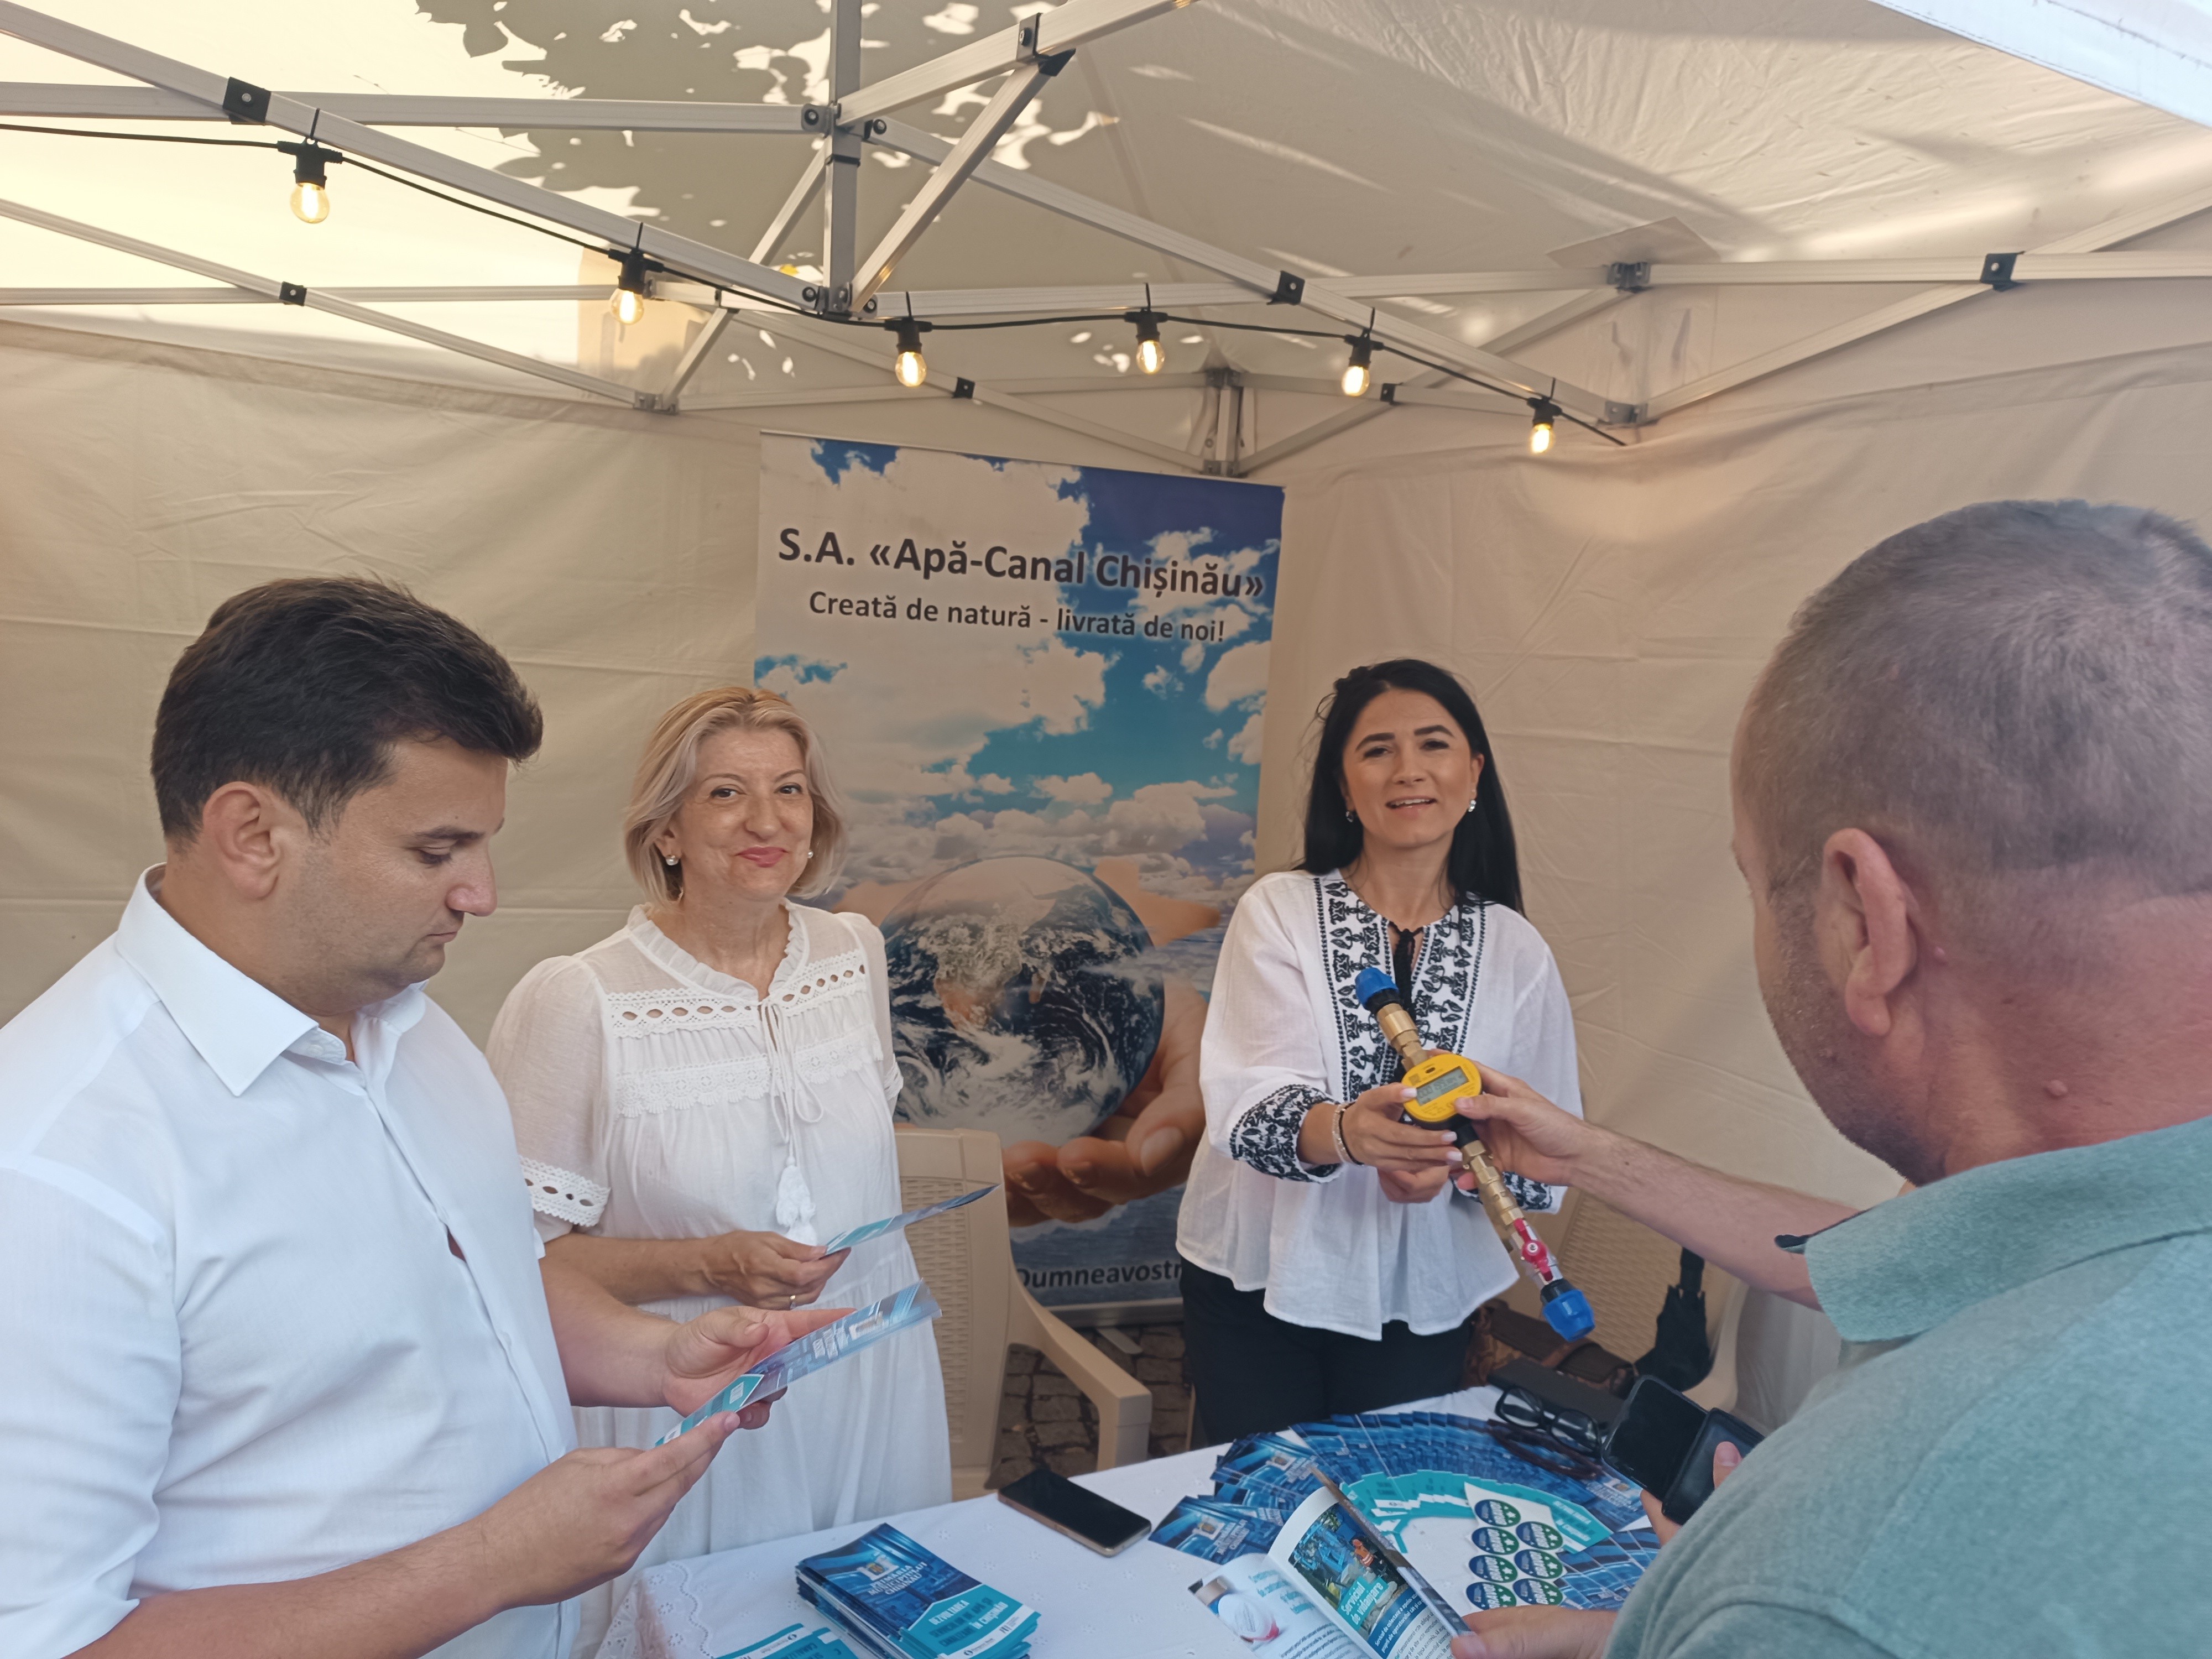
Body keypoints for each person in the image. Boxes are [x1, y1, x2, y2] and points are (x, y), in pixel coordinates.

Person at [0, 580, 837, 1659]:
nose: (481, 893)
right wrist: (490, 1566)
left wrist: (654, 1358)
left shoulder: (413, 1030)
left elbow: (477, 1286)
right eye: (436, 852)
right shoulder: (55, 1166)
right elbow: (53, 1642)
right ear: (251, 834)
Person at [1448, 500, 2212, 1658]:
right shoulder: (2101, 1230)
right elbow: (1885, 1259)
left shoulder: (1816, 1583)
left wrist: (1715, 1608)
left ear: (1866, 921)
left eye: (1757, 885)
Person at [489, 686, 950, 1656]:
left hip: (868, 1369)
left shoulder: (855, 953)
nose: (767, 821)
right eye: (727, 793)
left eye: (790, 789)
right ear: (666, 829)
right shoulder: (581, 998)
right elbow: (515, 1264)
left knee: (877, 1618)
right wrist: (708, 1263)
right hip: (694, 1386)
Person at [1176, 658, 1584, 1442]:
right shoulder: (1279, 910)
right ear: (1343, 784)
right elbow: (1247, 1098)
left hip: (1422, 1290)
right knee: (1263, 1488)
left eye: (1433, 744)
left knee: (1389, 1492)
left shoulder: (1515, 949)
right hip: (1263, 1274)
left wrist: (1454, 1167)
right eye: (1376, 750)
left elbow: (1542, 1145)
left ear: (1474, 772)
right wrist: (1347, 1133)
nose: (1408, 771)